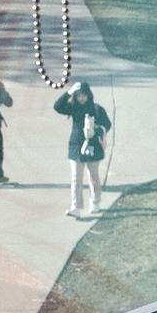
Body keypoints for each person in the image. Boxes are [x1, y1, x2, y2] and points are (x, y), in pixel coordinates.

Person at [53, 82, 112, 217]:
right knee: (76, 178)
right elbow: (57, 106)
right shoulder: (73, 107)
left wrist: (97, 130)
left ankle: (95, 202)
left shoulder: (97, 109)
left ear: (88, 95)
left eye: (83, 95)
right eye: (78, 95)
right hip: (76, 147)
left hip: (93, 147)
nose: (81, 98)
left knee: (93, 177)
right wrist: (68, 92)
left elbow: (107, 124)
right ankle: (76, 207)